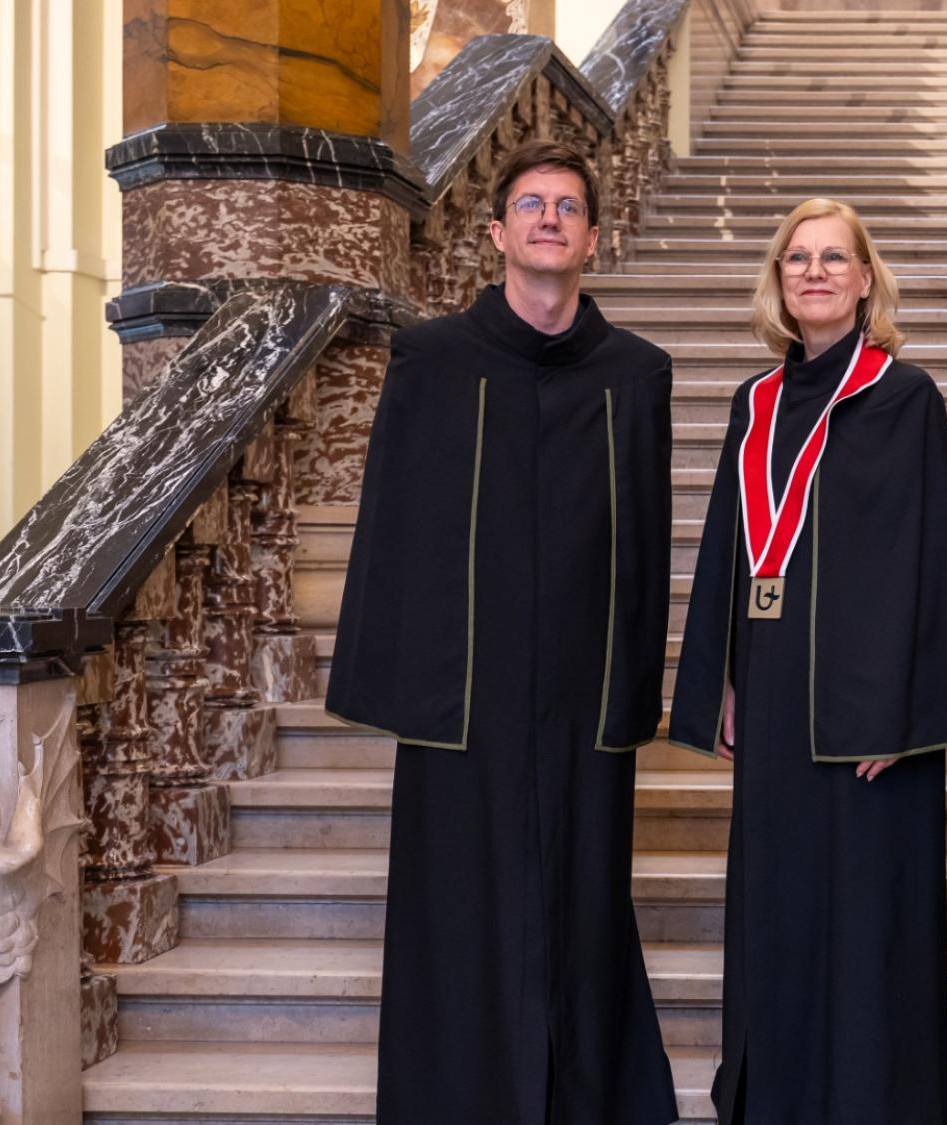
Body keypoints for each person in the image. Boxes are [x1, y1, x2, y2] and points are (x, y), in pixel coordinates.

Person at [327, 139, 678, 1124]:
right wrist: (393, 689)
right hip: (461, 704)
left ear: (593, 238)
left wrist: (631, 700)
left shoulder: (636, 375)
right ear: (496, 233)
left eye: (569, 207)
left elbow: (645, 548)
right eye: (532, 204)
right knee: (461, 916)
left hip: (581, 706)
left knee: (582, 910)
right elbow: (389, 522)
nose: (550, 219)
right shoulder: (432, 360)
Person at [669, 198, 947, 1124]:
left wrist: (902, 710)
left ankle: (873, 1099)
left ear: (863, 280)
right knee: (778, 904)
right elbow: (731, 541)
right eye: (797, 259)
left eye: (833, 259)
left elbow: (931, 557)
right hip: (771, 686)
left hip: (867, 711)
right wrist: (724, 672)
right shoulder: (754, 402)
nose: (813, 272)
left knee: (866, 917)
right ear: (778, 281)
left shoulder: (903, 395)